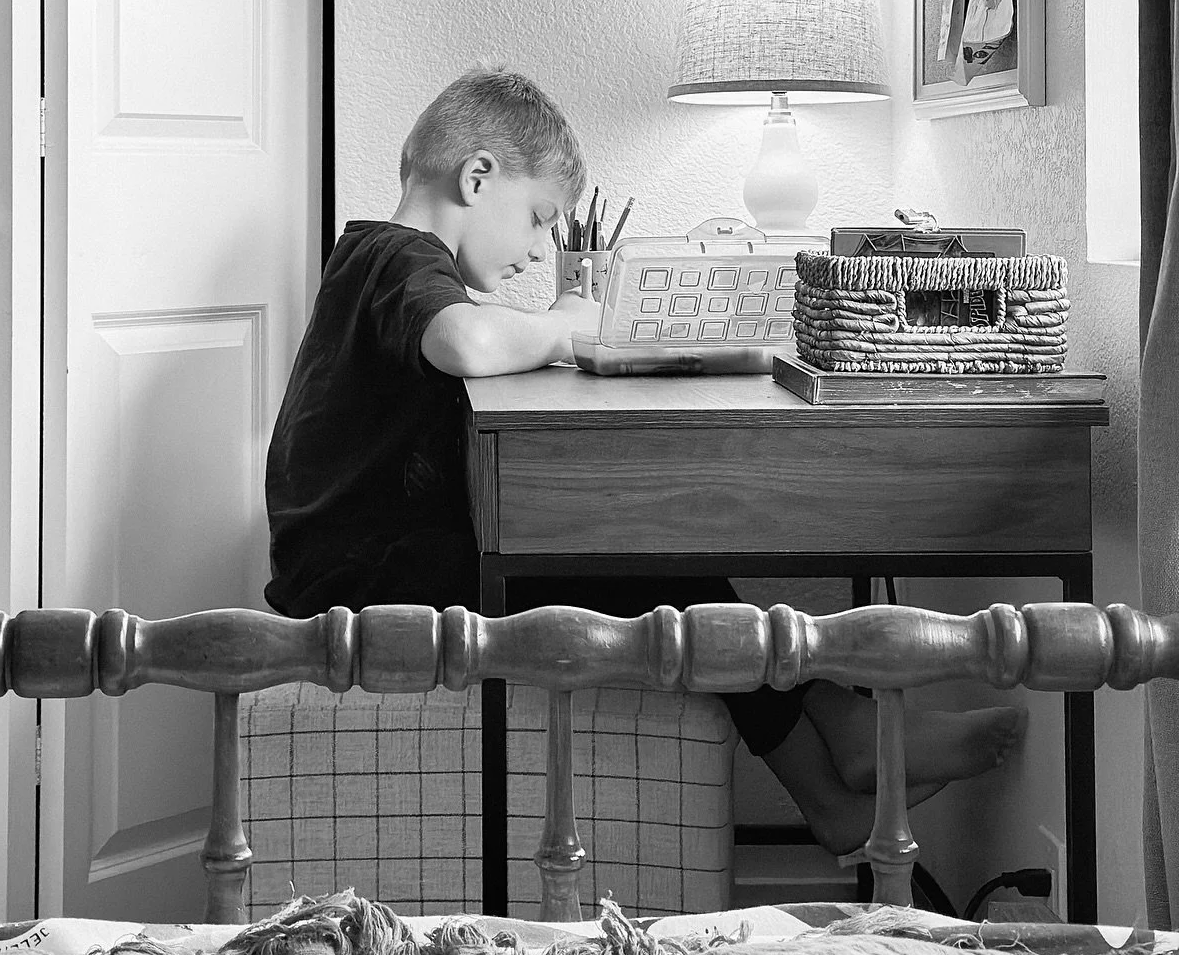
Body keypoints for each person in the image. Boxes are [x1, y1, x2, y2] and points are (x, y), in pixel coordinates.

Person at [264, 66, 1025, 856]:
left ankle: (830, 776)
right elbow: (468, 341)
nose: (535, 251)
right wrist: (565, 324)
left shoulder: (377, 260)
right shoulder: (399, 259)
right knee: (636, 546)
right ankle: (838, 727)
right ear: (476, 175)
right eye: (537, 219)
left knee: (643, 552)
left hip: (366, 573)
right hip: (363, 597)